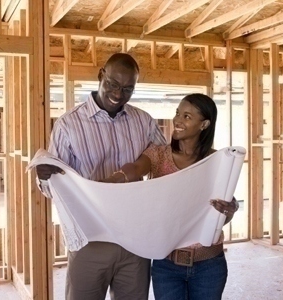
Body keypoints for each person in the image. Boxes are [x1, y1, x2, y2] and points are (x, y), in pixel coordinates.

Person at [35, 53, 167, 300]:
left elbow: (165, 165)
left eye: (128, 89)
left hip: (134, 239)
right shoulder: (68, 125)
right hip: (90, 239)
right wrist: (45, 178)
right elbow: (54, 190)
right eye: (113, 85)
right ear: (100, 75)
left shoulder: (144, 121)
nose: (119, 94)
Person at [102, 93, 239, 300]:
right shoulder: (158, 155)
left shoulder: (217, 161)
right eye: (177, 113)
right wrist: (112, 181)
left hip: (209, 266)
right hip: (166, 265)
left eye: (187, 116)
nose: (177, 120)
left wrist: (230, 209)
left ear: (204, 124)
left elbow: (223, 212)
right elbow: (136, 168)